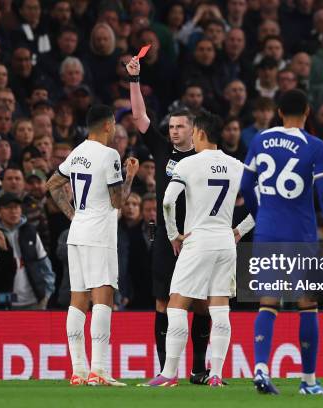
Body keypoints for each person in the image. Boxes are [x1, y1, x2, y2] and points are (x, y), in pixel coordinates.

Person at [240, 89, 323, 395]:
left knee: (268, 302)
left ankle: (260, 368)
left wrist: (263, 217)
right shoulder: (315, 146)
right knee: (307, 304)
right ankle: (308, 381)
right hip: (300, 234)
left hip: (267, 233)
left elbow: (246, 185)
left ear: (280, 111)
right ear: (308, 111)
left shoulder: (259, 140)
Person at [144, 111, 250, 387]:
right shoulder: (237, 165)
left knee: (176, 305)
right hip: (226, 243)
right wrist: (240, 230)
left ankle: (168, 374)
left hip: (197, 241)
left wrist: (173, 235)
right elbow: (262, 205)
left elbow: (168, 202)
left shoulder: (188, 165)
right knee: (220, 308)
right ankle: (215, 374)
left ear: (200, 133)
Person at [127, 56, 214, 384]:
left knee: (202, 304)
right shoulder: (162, 149)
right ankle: (167, 372)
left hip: (197, 238)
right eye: (172, 126)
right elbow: (138, 115)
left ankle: (199, 369)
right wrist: (135, 79)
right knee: (163, 302)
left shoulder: (206, 157)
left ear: (193, 130)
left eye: (181, 126)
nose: (174, 131)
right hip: (166, 237)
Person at [46, 105, 139, 386]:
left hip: (78, 232)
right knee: (103, 299)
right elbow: (117, 202)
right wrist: (130, 175)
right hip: (99, 235)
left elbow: (52, 183)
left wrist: (72, 214)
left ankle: (78, 370)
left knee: (78, 300)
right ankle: (99, 370)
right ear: (109, 125)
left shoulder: (77, 152)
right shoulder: (110, 155)